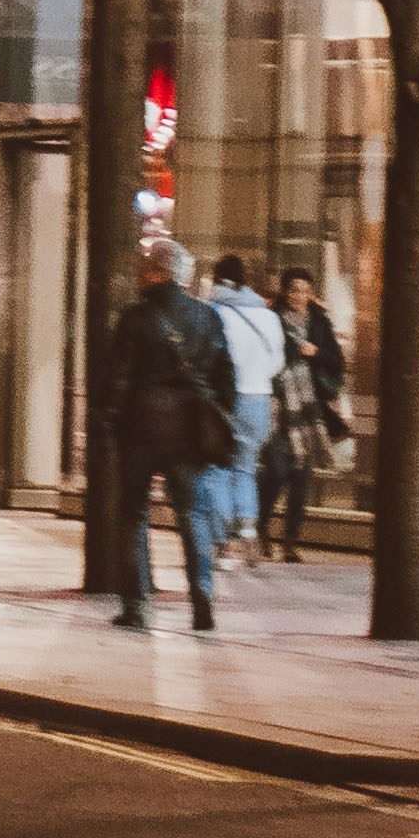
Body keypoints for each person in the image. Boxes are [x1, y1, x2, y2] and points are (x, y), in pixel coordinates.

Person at [109, 244, 240, 634]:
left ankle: (136, 604)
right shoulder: (207, 317)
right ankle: (202, 599)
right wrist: (218, 416)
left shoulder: (135, 318)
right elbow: (224, 375)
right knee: (193, 514)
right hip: (188, 431)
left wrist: (110, 421)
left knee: (134, 515)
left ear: (153, 273)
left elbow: (119, 379)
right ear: (182, 275)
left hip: (141, 428)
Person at [202, 256, 288, 571]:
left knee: (218, 469)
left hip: (227, 400)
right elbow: (277, 364)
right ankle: (250, 530)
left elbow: (209, 359)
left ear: (218, 280)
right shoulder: (268, 317)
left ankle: (222, 542)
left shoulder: (216, 313)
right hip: (259, 401)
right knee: (246, 468)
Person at [257, 268, 347, 559]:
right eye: (294, 290)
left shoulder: (320, 322)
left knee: (301, 479)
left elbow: (337, 362)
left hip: (309, 413)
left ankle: (290, 541)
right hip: (280, 408)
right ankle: (261, 529)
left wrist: (315, 353)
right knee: (277, 472)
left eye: (305, 290)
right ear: (284, 291)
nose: (299, 296)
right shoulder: (271, 319)